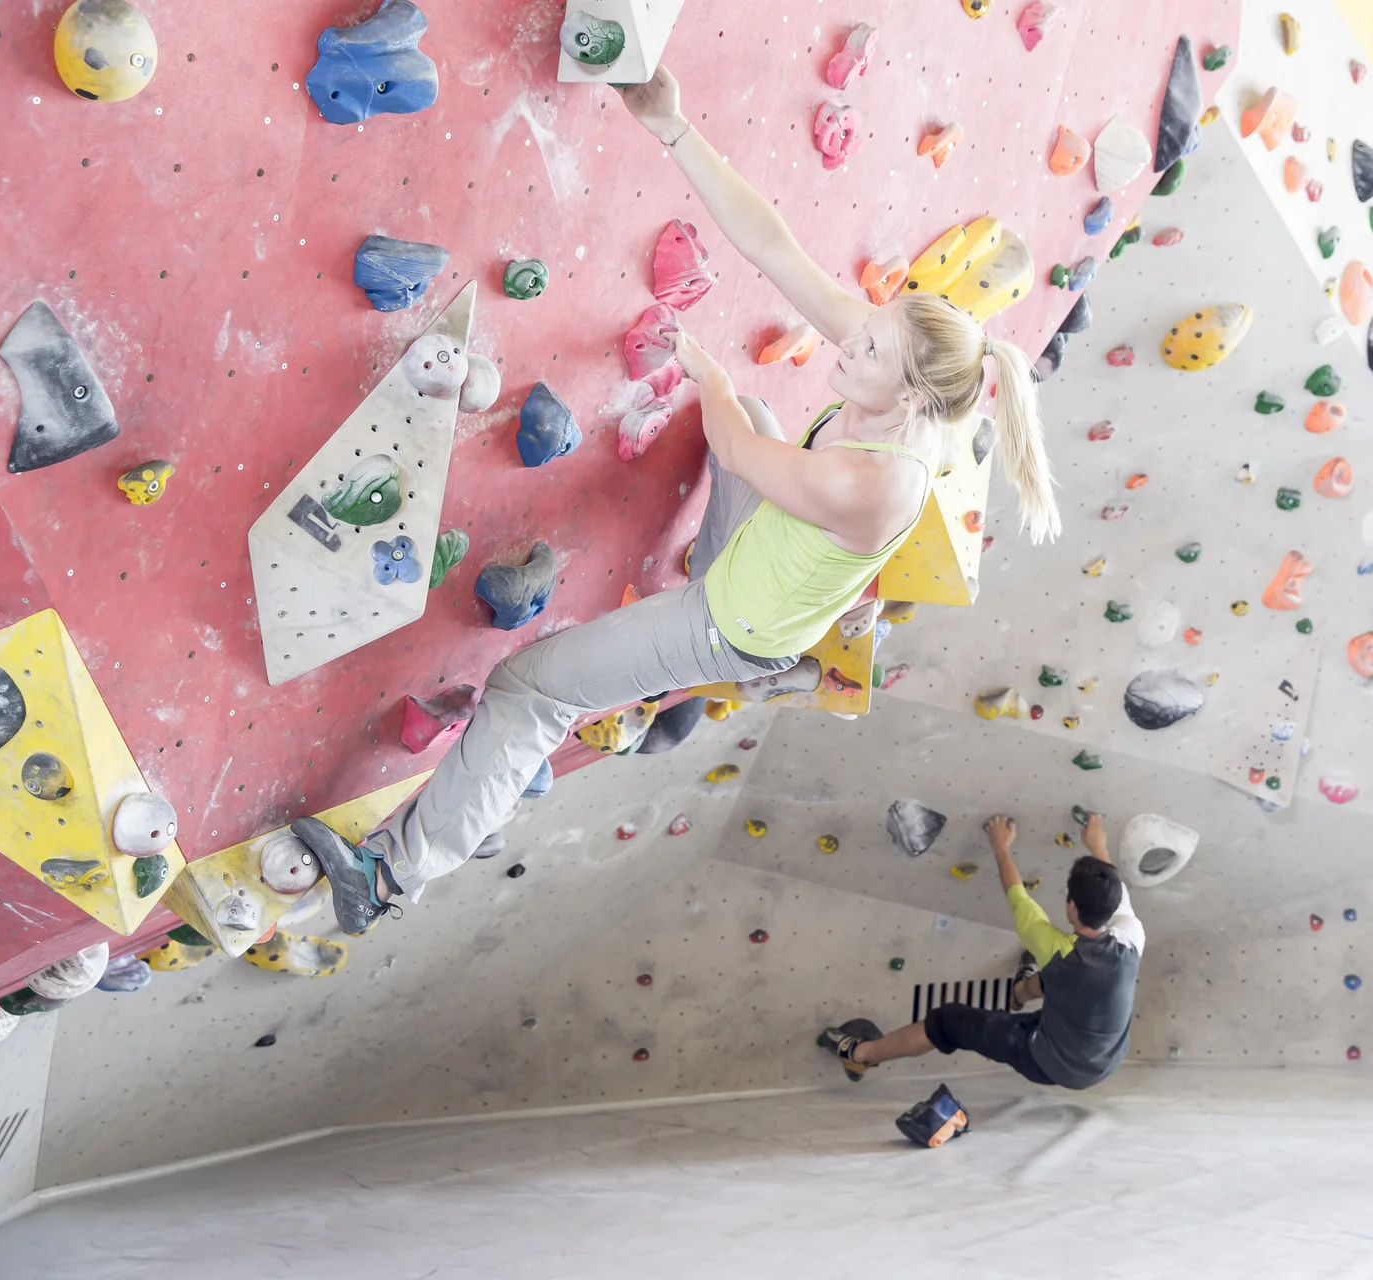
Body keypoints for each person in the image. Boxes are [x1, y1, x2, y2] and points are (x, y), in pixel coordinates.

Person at [295, 66, 1061, 934]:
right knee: (764, 416)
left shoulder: (873, 481)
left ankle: (388, 877)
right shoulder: (907, 381)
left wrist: (706, 371)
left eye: (871, 351)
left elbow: (737, 448)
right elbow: (773, 245)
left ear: (913, 398)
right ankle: (762, 643)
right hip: (765, 565)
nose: (851, 343)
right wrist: (674, 127)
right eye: (869, 330)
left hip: (723, 624)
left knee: (529, 690)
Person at [820, 813, 1143, 1091]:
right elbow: (1115, 891)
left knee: (948, 1021)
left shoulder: (1056, 950)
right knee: (1060, 978)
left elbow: (1017, 895)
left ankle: (859, 1055)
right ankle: (1019, 992)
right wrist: (1098, 845)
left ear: (1071, 907)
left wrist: (1000, 846)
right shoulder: (1131, 937)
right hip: (1104, 1057)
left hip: (1051, 1062)